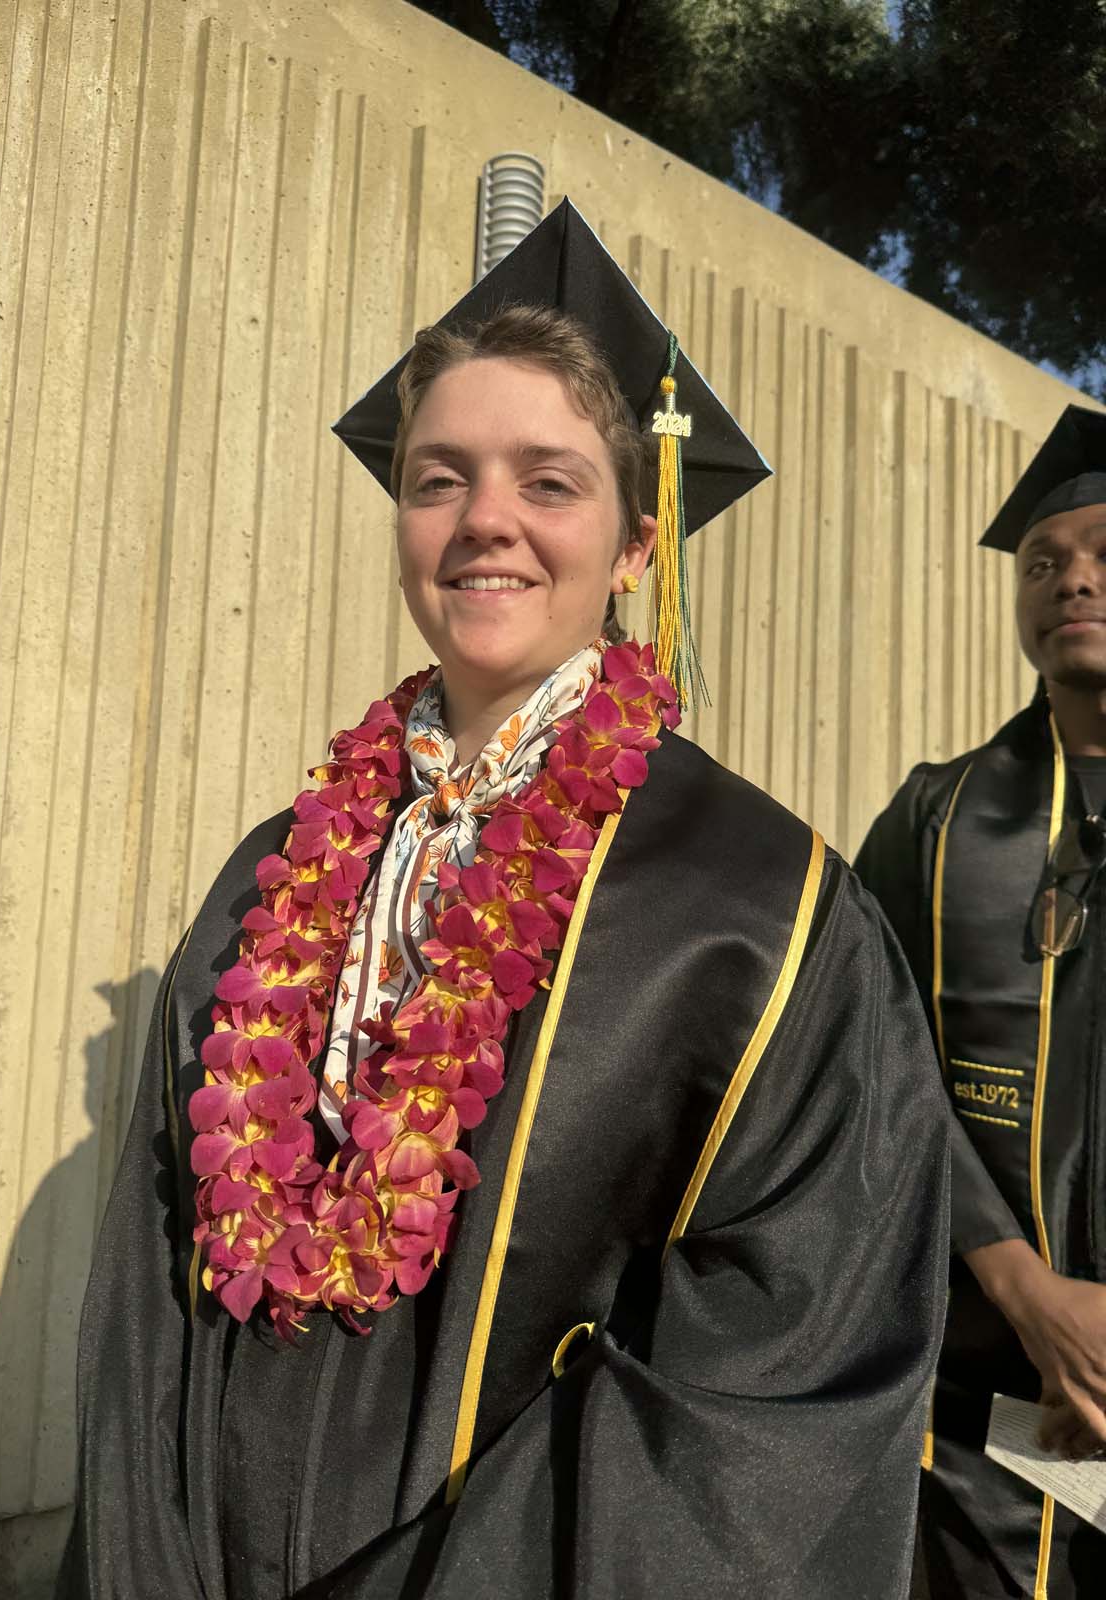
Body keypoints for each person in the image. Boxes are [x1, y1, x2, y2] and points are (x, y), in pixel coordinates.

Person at [60, 199, 949, 1600]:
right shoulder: (270, 873)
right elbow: (148, 1314)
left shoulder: (758, 915)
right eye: (438, 479)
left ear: (640, 544)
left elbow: (784, 1382)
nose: (486, 521)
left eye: (549, 482)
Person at [856, 404, 1106, 1600]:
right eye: (1044, 560)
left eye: (1105, 551)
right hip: (981, 1430)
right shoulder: (933, 820)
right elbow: (871, 1063)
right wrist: (1025, 1289)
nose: (1074, 578)